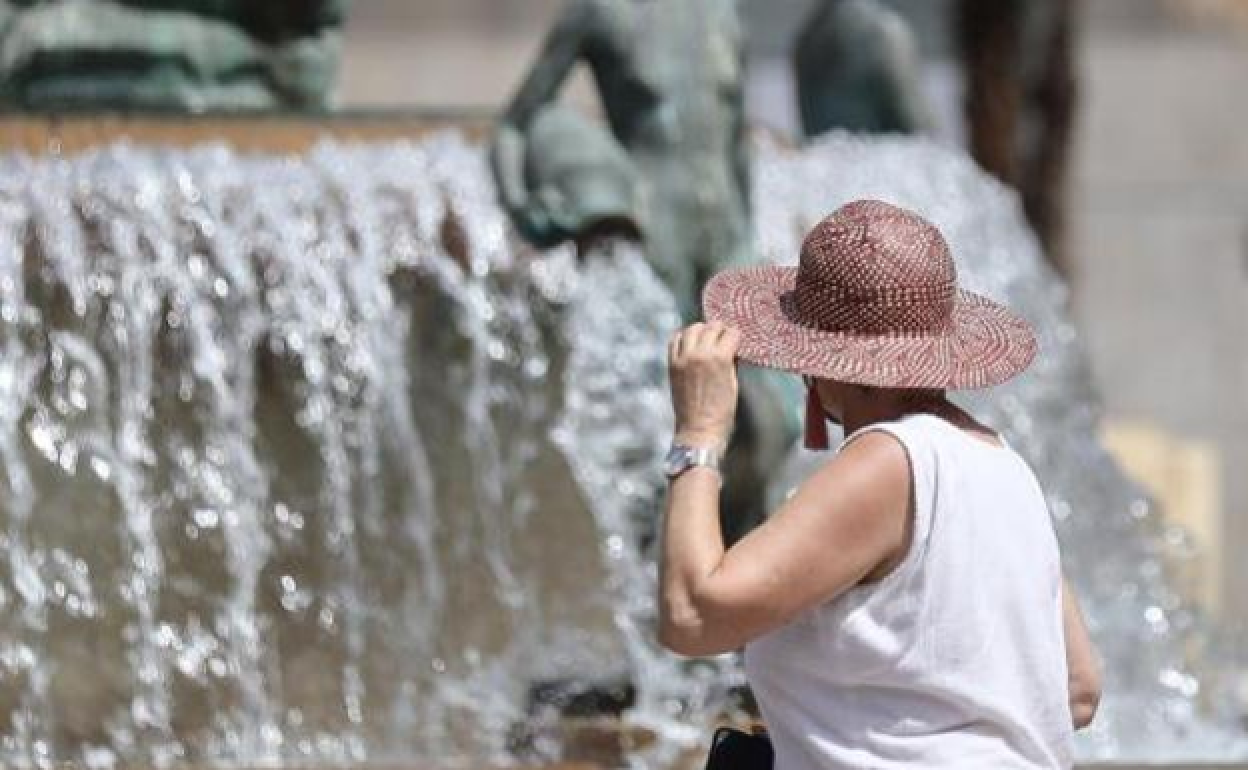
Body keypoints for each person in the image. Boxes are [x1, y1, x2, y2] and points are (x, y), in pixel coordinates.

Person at [658, 200, 1101, 769]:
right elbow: (1077, 689)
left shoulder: (890, 462)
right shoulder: (1006, 467)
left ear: (819, 357)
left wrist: (699, 430)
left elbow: (693, 615)